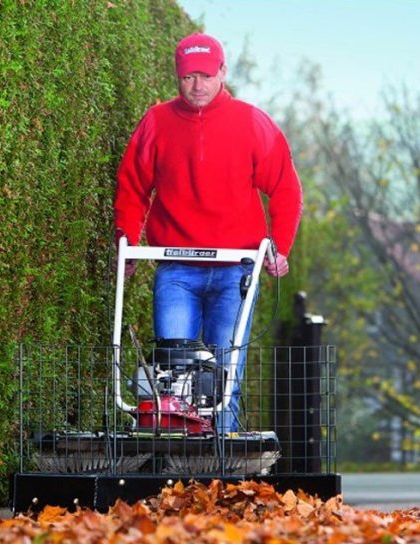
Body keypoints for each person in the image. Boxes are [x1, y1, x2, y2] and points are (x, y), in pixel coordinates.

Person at [114, 32, 303, 432]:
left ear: (222, 72)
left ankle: (220, 459)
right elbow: (132, 186)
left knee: (224, 377)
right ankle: (175, 458)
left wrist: (280, 246)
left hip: (236, 270)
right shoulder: (157, 123)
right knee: (173, 373)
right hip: (177, 269)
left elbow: (286, 187)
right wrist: (125, 239)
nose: (197, 85)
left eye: (205, 75)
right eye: (187, 77)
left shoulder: (251, 123)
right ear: (177, 77)